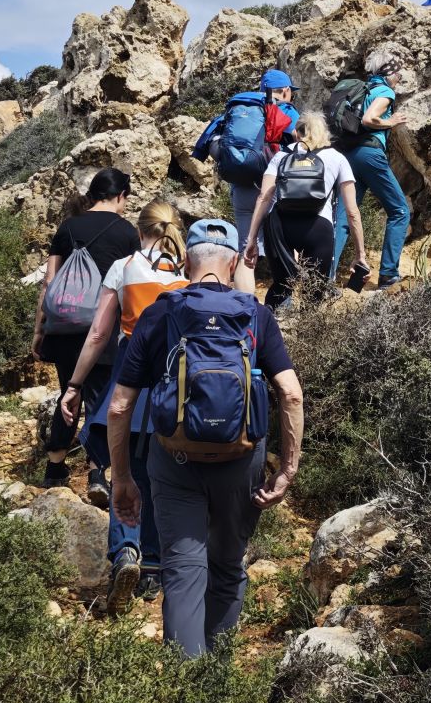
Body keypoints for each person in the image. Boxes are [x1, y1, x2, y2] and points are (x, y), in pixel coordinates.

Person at [107, 219, 303, 658]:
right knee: (228, 567)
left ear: (184, 262)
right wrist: (288, 469)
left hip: (174, 462)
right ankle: (217, 684)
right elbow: (289, 393)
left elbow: (119, 406)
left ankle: (186, 691)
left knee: (182, 571)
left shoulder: (159, 312)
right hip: (241, 461)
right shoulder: (255, 313)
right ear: (233, 262)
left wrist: (122, 478)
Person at [58, 201, 188, 613]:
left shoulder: (124, 266)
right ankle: (153, 566)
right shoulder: (188, 270)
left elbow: (98, 334)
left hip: (132, 377)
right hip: (176, 383)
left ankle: (126, 552)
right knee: (161, 476)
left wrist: (75, 384)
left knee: (125, 471)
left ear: (139, 229)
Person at [33, 167, 138, 492]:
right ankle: (96, 474)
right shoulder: (126, 233)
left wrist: (39, 330)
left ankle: (54, 468)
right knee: (98, 398)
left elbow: (50, 282)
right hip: (103, 328)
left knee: (69, 392)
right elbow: (131, 285)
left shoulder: (68, 227)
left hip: (64, 326)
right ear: (120, 195)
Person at [242, 111, 369, 310]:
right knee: (314, 291)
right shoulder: (337, 158)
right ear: (324, 132)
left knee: (281, 286)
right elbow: (352, 212)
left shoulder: (282, 156)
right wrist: (360, 254)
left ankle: (270, 331)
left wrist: (251, 239)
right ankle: (307, 335)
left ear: (297, 132)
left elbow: (264, 197)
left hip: (280, 227)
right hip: (318, 228)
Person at [329, 48, 412, 290]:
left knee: (344, 217)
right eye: (399, 74)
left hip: (348, 155)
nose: (400, 79)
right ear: (390, 73)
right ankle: (388, 275)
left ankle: (325, 278)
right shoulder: (385, 91)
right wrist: (391, 122)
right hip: (370, 155)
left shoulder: (364, 89)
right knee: (399, 210)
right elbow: (368, 119)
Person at [192, 75, 297, 253]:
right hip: (269, 184)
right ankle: (270, 275)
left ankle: (246, 274)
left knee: (246, 244)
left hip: (240, 182)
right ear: (286, 91)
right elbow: (298, 136)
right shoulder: (284, 109)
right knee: (276, 243)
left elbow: (208, 138)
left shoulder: (240, 105)